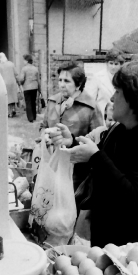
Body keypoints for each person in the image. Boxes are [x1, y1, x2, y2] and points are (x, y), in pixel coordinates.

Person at [48, 62, 138, 248]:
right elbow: (101, 162)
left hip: (132, 251)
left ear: (136, 98)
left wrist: (95, 157)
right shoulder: (119, 129)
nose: (112, 98)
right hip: (105, 241)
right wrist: (73, 142)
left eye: (118, 91)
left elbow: (132, 198)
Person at [41, 60, 103, 190]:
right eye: (60, 80)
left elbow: (98, 142)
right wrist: (44, 135)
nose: (62, 85)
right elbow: (43, 126)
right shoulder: (53, 101)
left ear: (78, 84)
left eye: (67, 81)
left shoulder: (90, 108)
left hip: (77, 173)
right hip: (52, 165)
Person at [84, 49, 125, 121]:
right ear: (106, 63)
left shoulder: (125, 78)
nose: (113, 67)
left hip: (120, 116)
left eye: (116, 64)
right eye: (111, 63)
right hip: (102, 116)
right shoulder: (97, 77)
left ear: (120, 64)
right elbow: (90, 99)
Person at [0, 52, 19, 117]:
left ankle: (9, 112)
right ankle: (13, 110)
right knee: (12, 98)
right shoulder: (11, 64)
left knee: (7, 99)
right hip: (12, 83)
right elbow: (16, 73)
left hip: (4, 84)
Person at [19, 54, 40, 122]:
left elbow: (21, 79)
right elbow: (38, 80)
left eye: (24, 60)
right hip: (34, 87)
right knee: (33, 102)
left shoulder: (24, 69)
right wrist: (39, 89)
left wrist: (21, 84)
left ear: (27, 61)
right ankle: (34, 116)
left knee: (28, 102)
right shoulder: (35, 69)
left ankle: (30, 118)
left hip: (27, 87)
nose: (23, 62)